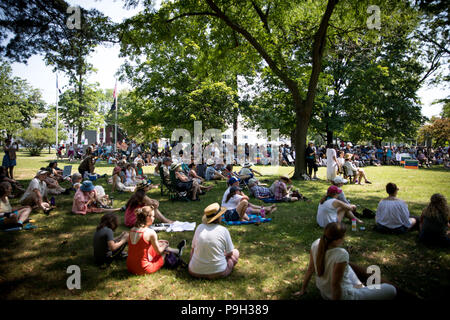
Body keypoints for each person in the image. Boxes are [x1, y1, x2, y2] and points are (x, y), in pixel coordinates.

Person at [297, 222, 397, 300]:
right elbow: (335, 285)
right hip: (344, 297)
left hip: (325, 293)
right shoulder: (341, 254)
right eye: (343, 236)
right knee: (391, 289)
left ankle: (360, 286)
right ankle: (361, 289)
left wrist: (303, 289)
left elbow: (310, 269)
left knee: (347, 266)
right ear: (337, 239)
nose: (344, 238)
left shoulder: (316, 243)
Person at [127, 206, 183, 275]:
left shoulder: (132, 230)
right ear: (148, 217)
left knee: (159, 244)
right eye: (153, 216)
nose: (154, 218)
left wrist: (159, 243)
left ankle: (177, 251)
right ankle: (177, 253)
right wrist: (165, 245)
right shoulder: (150, 232)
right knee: (164, 253)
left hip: (130, 266)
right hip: (143, 268)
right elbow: (159, 251)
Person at [188, 203, 239, 279]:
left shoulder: (199, 228)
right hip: (218, 272)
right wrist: (223, 254)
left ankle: (198, 265)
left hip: (194, 272)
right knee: (235, 252)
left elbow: (193, 249)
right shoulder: (224, 230)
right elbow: (230, 253)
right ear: (219, 217)